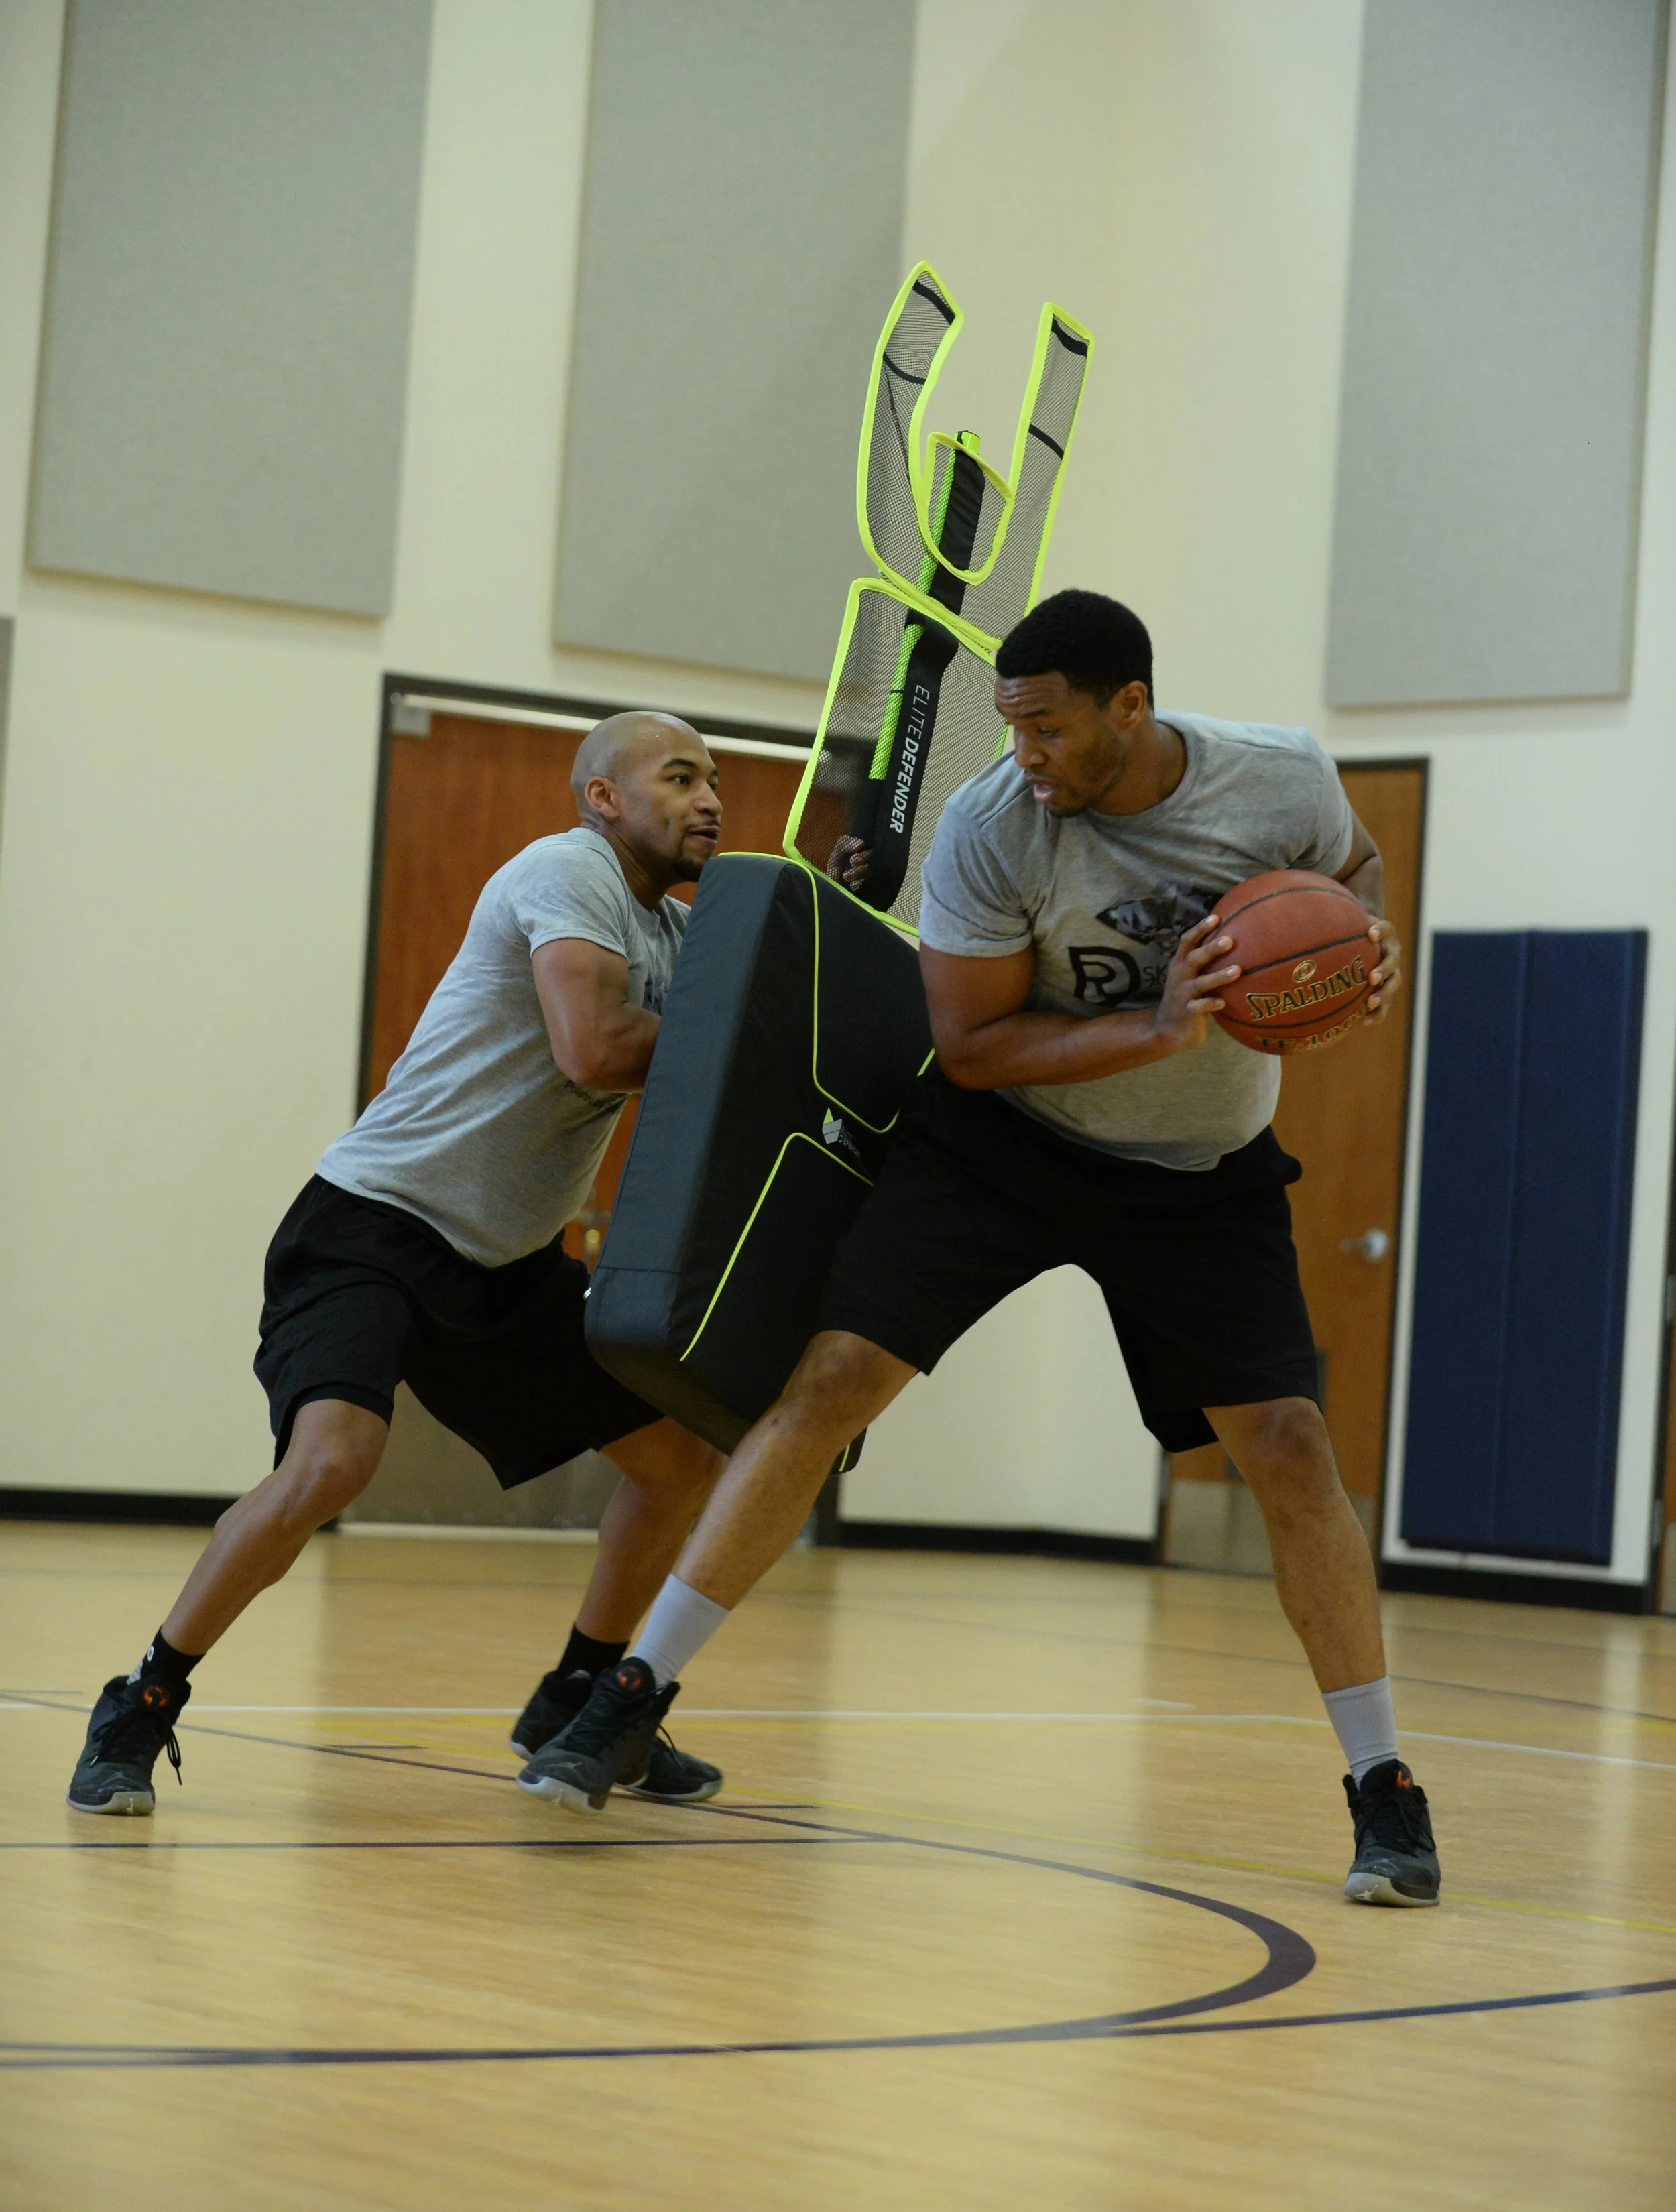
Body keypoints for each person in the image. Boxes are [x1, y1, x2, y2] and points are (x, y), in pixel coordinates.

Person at [514, 595, 1442, 1911]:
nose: (1028, 755)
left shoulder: (1276, 775)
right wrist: (1157, 1029)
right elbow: (970, 1047)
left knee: (1288, 1445)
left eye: (1050, 728)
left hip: (1198, 1174)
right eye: (1013, 728)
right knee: (831, 1381)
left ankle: (1383, 1787)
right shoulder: (991, 822)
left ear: (1131, 706)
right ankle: (629, 1694)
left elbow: (1354, 869)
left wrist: (1365, 947)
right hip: (1000, 1146)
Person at [68, 711, 731, 1817]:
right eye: (679, 777)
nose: (708, 798)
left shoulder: (680, 934)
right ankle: (140, 1702)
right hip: (372, 1228)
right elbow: (596, 1049)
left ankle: (578, 1696)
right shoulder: (567, 870)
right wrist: (737, 1032)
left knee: (680, 1465)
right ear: (604, 798)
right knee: (331, 1466)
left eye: (714, 780)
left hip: (508, 1265)